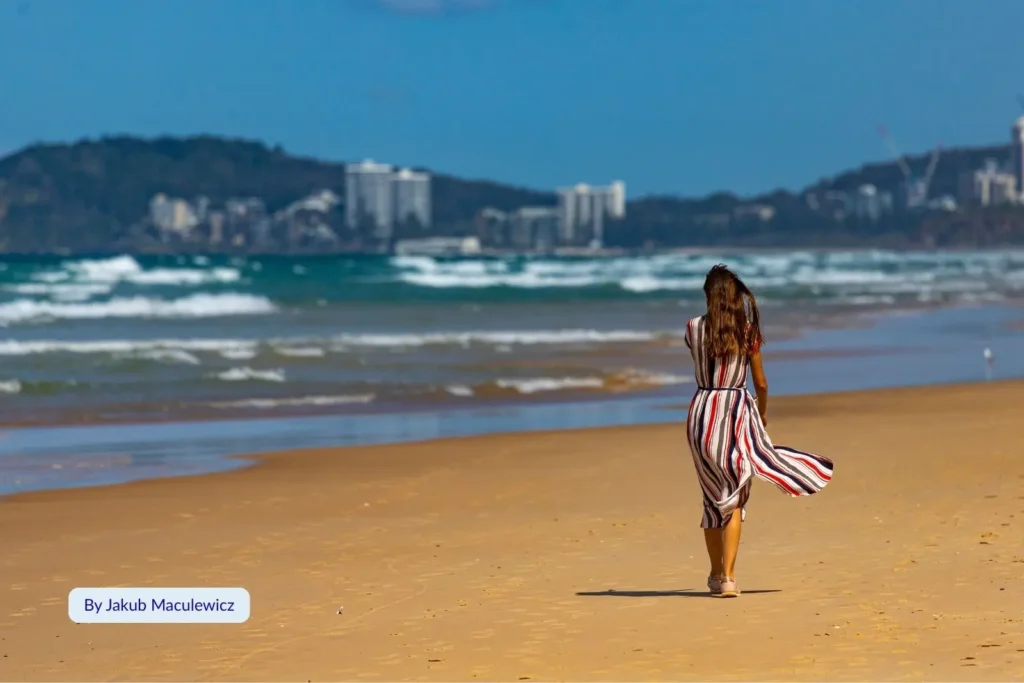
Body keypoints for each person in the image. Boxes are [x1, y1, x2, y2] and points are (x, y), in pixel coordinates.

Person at [685, 265, 834, 598]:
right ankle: (729, 577)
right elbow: (761, 382)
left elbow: (704, 354)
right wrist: (762, 411)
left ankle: (713, 574)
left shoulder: (692, 328)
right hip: (735, 411)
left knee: (712, 497)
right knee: (734, 496)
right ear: (735, 296)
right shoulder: (747, 331)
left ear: (709, 295)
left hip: (701, 412)